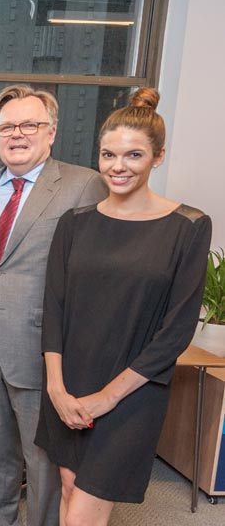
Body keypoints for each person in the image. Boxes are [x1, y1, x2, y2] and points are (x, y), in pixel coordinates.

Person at [35, 88, 211, 526]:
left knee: (84, 513)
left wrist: (105, 399)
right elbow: (54, 308)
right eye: (108, 154)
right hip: (69, 385)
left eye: (133, 155)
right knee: (71, 492)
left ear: (158, 157)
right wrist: (57, 388)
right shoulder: (74, 224)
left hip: (132, 391)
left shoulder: (188, 226)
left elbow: (176, 330)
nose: (118, 166)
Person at [0, 85, 107, 526]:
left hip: (42, 347)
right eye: (7, 126)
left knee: (42, 459)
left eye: (29, 124)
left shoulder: (84, 185)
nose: (17, 134)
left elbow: (95, 276)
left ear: (52, 132)